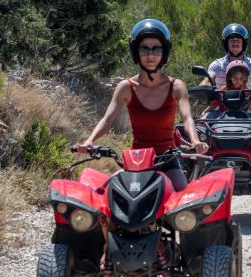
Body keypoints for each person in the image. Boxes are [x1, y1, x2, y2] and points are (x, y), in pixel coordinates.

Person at [76, 18, 208, 192]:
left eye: (156, 49)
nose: (150, 55)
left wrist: (195, 140)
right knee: (107, 194)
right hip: (136, 160)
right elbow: (107, 121)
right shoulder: (126, 87)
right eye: (144, 48)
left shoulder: (176, 86)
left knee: (181, 195)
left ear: (164, 53)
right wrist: (90, 141)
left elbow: (187, 119)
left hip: (168, 160)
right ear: (136, 52)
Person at [202, 23, 251, 87]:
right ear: (226, 44)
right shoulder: (217, 65)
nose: (235, 43)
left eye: (238, 40)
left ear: (244, 44)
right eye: (232, 40)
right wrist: (202, 88)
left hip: (248, 101)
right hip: (222, 101)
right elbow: (208, 81)